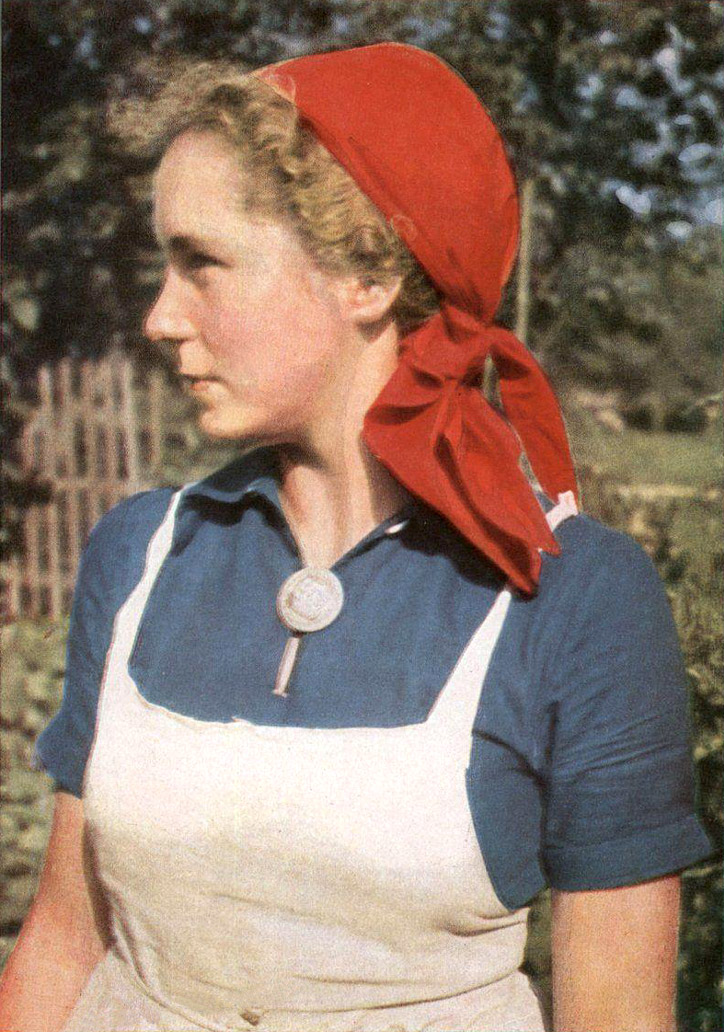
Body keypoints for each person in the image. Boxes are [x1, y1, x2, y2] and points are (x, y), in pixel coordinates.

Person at [0, 43, 712, 1032]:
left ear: (368, 275)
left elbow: (618, 1018)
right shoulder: (142, 553)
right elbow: (63, 943)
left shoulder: (572, 594)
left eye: (203, 264)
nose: (160, 317)